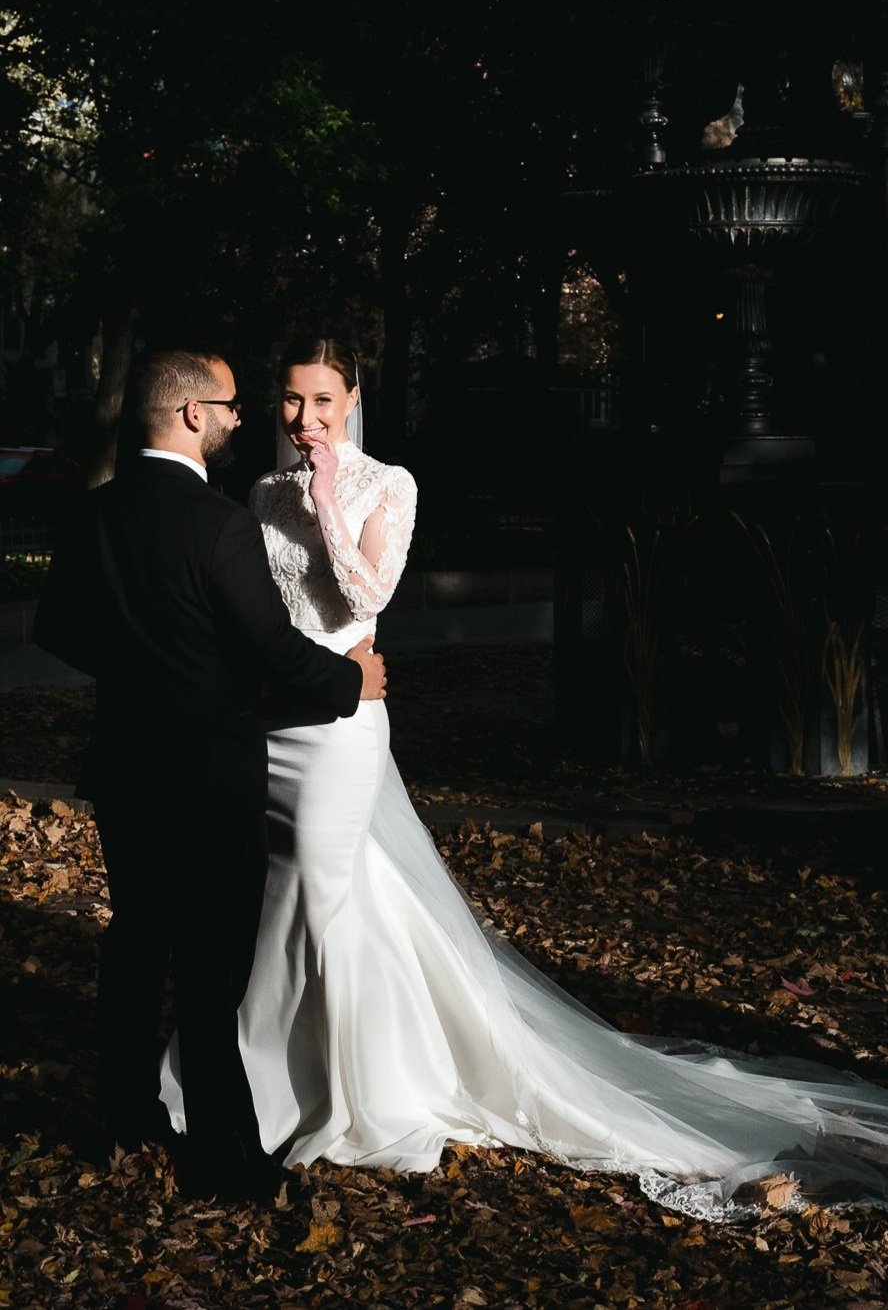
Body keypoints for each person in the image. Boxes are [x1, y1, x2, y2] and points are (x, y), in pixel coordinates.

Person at [162, 336, 888, 1222]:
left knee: (318, 889)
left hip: (345, 725)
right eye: (288, 401)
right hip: (278, 718)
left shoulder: (386, 485)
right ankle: (291, 1072)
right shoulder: (258, 493)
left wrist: (324, 501)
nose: (303, 420)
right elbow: (256, 613)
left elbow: (363, 600)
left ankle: (333, 1090)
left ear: (352, 399)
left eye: (321, 401)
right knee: (316, 894)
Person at [33, 346, 386, 1205]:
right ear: (193, 414)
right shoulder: (218, 521)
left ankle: (123, 1113)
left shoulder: (95, 513)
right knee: (210, 963)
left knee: (135, 940)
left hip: (123, 766)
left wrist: (141, 670)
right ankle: (225, 1156)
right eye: (230, 406)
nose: (239, 419)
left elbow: (58, 630)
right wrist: (352, 682)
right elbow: (266, 648)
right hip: (209, 771)